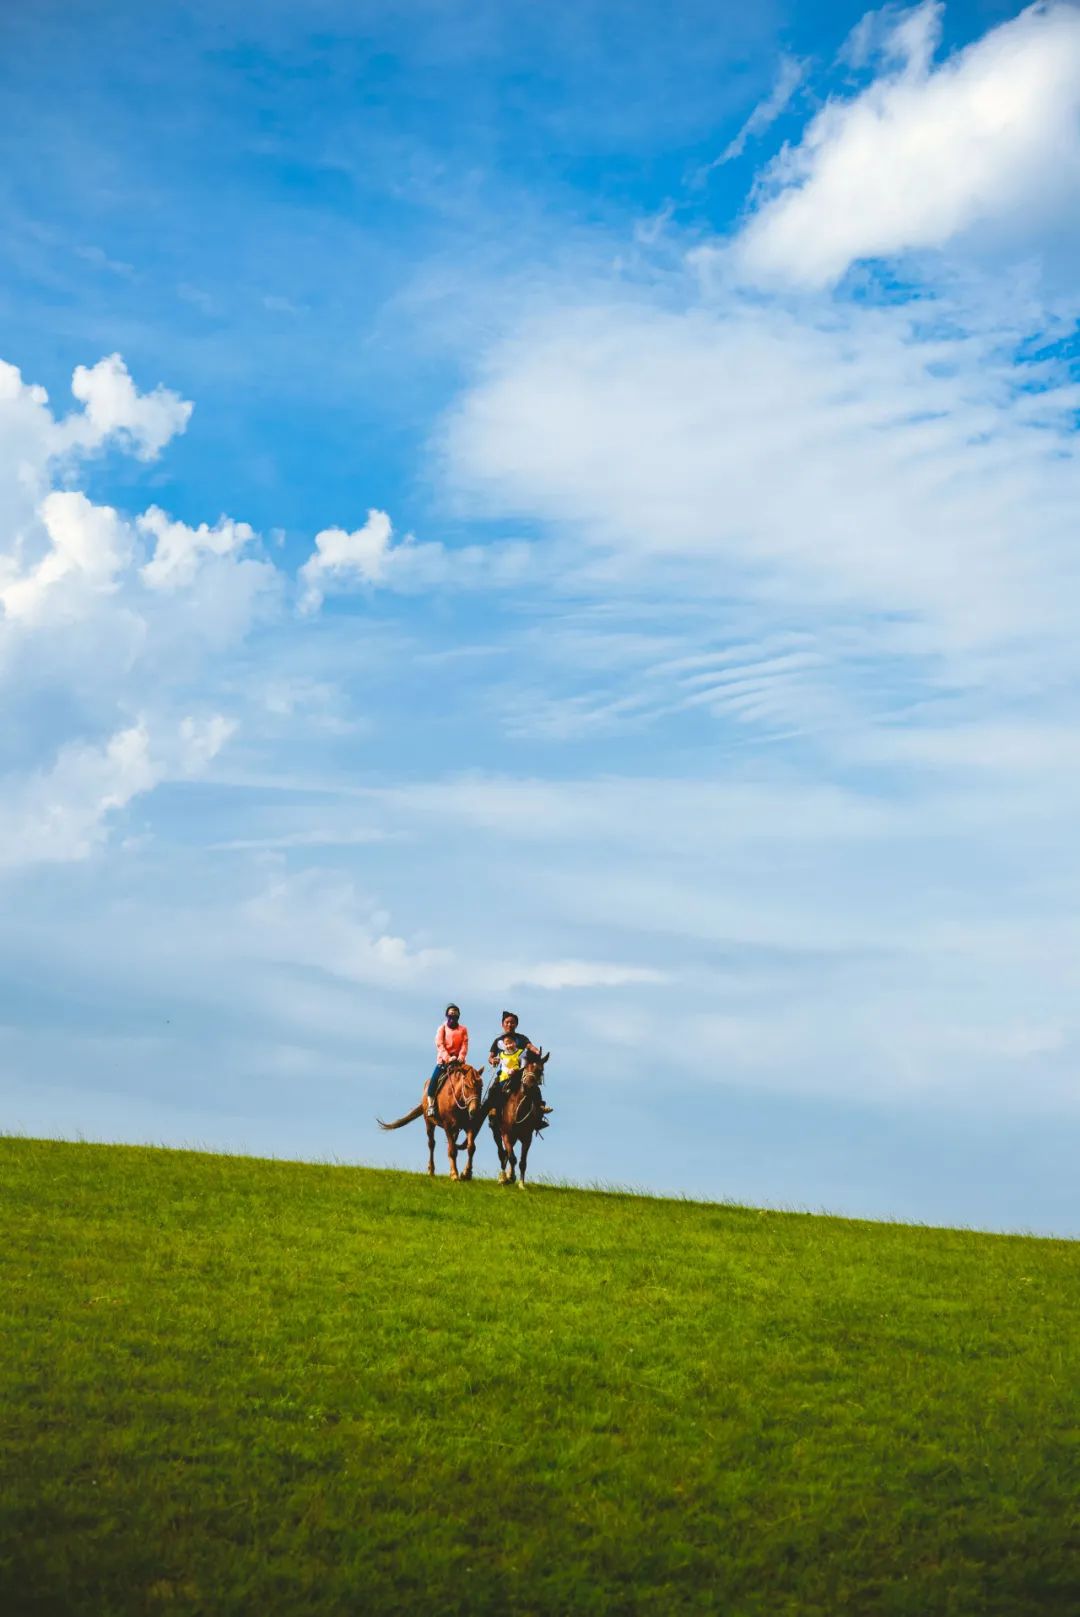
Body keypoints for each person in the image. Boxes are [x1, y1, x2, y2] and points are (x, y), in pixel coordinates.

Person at [485, 1011, 552, 1127]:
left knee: (533, 1087)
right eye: (507, 1022)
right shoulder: (498, 1041)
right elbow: (490, 1057)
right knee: (493, 1089)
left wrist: (536, 1051)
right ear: (503, 1024)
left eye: (512, 1022)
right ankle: (493, 1113)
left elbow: (530, 1046)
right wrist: (493, 1060)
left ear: (516, 1025)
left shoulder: (521, 1038)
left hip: (521, 1073)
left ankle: (539, 1113)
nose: (509, 1025)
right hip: (505, 1074)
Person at [425, 1004, 468, 1123]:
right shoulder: (442, 1028)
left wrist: (461, 1057)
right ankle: (431, 1106)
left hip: (458, 1062)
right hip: (444, 1062)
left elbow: (464, 1045)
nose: (453, 1014)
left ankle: (470, 1104)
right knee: (433, 1081)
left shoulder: (463, 1029)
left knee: (470, 1079)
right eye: (451, 1012)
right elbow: (440, 1045)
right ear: (447, 1014)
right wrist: (448, 1058)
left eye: (455, 1012)